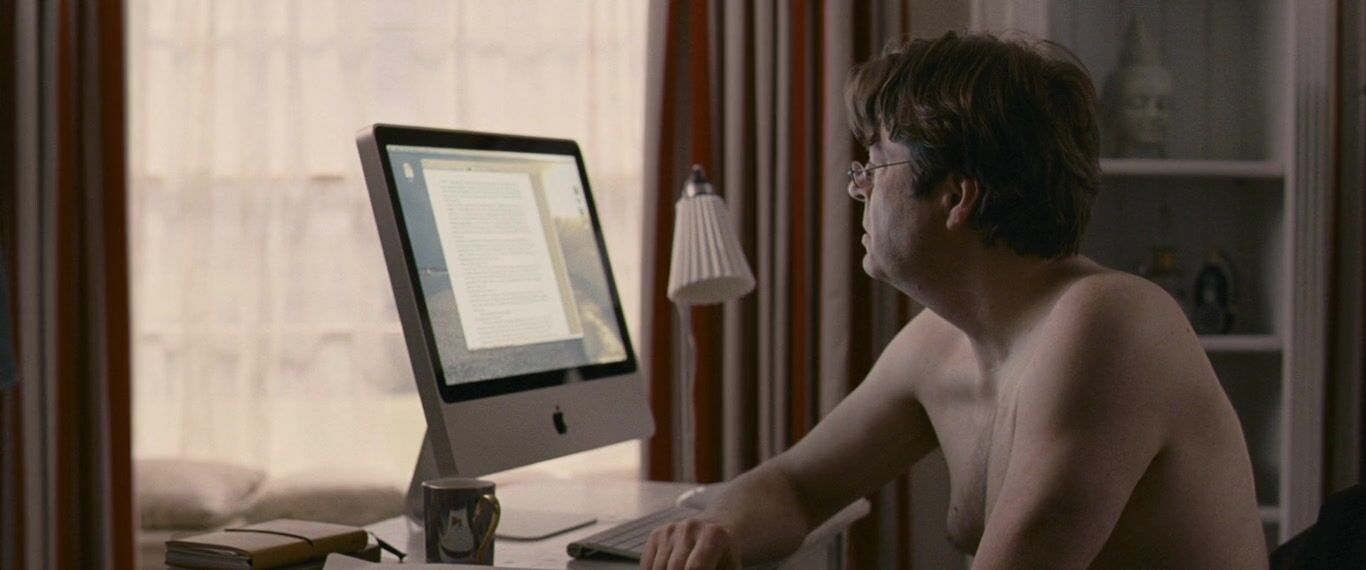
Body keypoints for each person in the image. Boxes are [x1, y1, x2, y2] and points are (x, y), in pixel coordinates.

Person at [640, 31, 1267, 570]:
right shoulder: (939, 342)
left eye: (873, 166)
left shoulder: (1110, 323)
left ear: (957, 197)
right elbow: (796, 486)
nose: (857, 189)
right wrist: (717, 530)